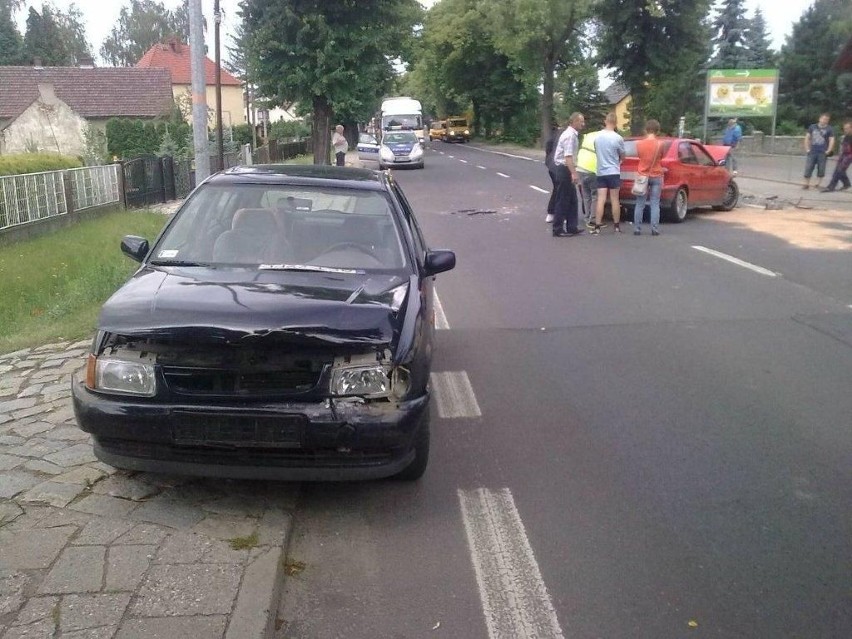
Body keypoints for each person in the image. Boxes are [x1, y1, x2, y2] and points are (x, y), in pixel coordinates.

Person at [550, 112, 585, 237]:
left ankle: (572, 227)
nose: (583, 124)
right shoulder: (570, 136)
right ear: (574, 121)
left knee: (572, 200)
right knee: (563, 200)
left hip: (566, 168)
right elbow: (568, 156)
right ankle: (557, 229)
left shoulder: (571, 134)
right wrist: (574, 173)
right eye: (581, 121)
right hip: (564, 169)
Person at [591, 112, 625, 234]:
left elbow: (596, 150)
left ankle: (597, 226)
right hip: (613, 171)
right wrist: (618, 161)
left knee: (601, 199)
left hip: (601, 171)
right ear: (615, 123)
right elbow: (622, 155)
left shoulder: (598, 136)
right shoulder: (618, 138)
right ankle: (616, 226)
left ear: (605, 121)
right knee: (615, 199)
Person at [632, 119, 665, 236]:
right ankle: (654, 229)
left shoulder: (639, 144)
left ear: (646, 129)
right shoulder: (660, 144)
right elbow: (661, 157)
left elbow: (640, 157)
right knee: (655, 203)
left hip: (642, 175)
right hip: (656, 175)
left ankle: (637, 228)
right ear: (657, 130)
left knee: (640, 203)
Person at [576, 126, 603, 229]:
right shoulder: (601, 138)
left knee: (586, 195)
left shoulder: (588, 135)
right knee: (595, 195)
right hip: (592, 169)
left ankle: (587, 217)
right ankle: (593, 219)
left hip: (581, 167)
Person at [803, 113, 835, 190]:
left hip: (822, 152)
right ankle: (806, 184)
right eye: (823, 119)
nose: (824, 121)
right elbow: (807, 138)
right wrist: (807, 149)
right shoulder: (812, 127)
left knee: (821, 168)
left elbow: (832, 140)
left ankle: (817, 184)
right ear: (819, 119)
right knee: (809, 167)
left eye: (827, 120)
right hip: (813, 151)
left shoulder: (829, 129)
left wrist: (829, 150)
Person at [820, 120, 852, 192]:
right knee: (837, 170)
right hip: (844, 154)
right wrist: (840, 155)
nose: (845, 130)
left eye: (847, 128)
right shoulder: (846, 136)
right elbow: (843, 147)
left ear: (851, 128)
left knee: (840, 170)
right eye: (844, 128)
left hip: (850, 155)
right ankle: (845, 184)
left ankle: (832, 187)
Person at [544, 120, 563, 223]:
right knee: (561, 190)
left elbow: (548, 149)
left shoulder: (552, 137)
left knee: (557, 189)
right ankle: (557, 214)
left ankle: (551, 213)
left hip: (551, 166)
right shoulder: (562, 136)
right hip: (558, 166)